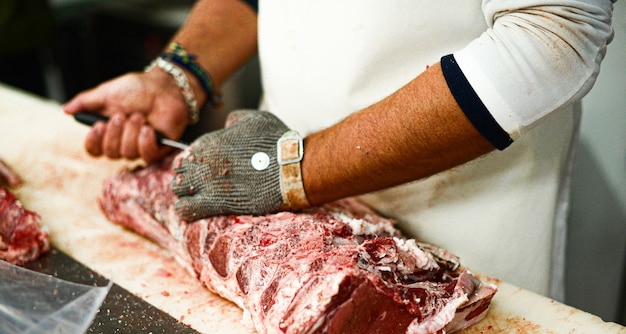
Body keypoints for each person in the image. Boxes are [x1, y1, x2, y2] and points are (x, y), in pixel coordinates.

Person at [63, 0, 616, 300]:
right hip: (282, 217)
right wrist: (175, 78)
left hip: (465, 223)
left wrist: (294, 168)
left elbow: (555, 34)